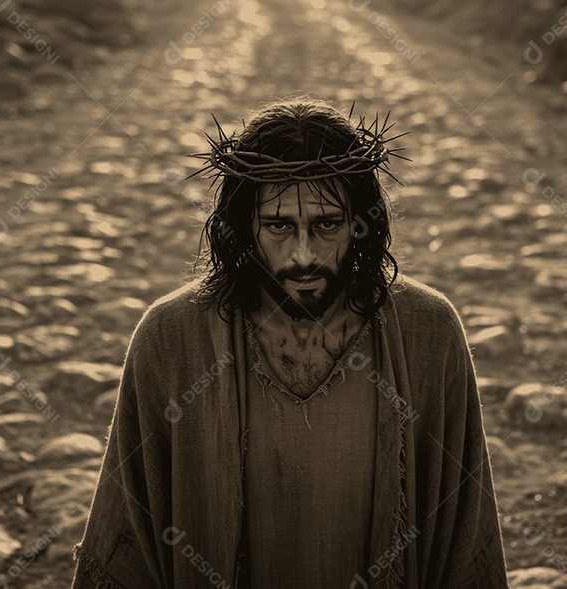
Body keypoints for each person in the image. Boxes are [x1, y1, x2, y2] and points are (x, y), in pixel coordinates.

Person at [71, 97, 508, 588]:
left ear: (362, 223)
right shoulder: (172, 339)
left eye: (327, 225)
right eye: (279, 226)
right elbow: (126, 542)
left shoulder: (428, 333)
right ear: (244, 229)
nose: (304, 254)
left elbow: (464, 538)